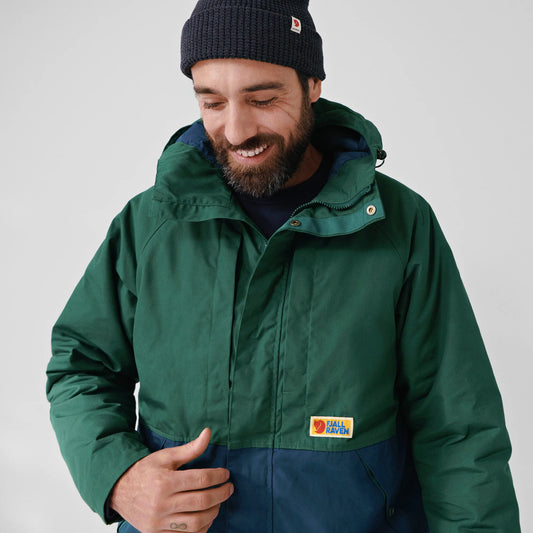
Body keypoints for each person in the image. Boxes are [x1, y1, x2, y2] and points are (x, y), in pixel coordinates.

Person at [46, 1, 520, 532]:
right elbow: (81, 365)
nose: (236, 130)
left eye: (263, 99)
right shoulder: (153, 225)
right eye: (212, 102)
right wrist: (118, 478)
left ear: (311, 84)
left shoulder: (397, 226)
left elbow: (457, 427)